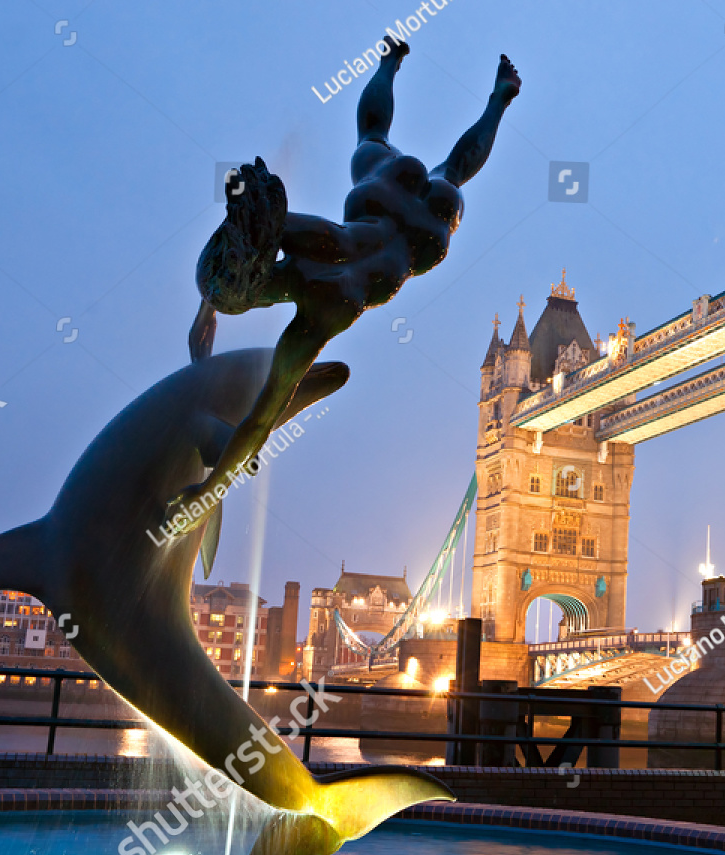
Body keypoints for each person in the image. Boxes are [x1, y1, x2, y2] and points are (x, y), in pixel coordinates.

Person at [170, 36, 520, 531]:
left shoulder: (323, 314)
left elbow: (260, 421)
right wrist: (206, 313)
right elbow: (242, 242)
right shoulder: (299, 234)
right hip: (381, 198)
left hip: (425, 230)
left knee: (453, 174)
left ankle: (496, 98)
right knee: (372, 136)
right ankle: (392, 64)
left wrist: (207, 494)